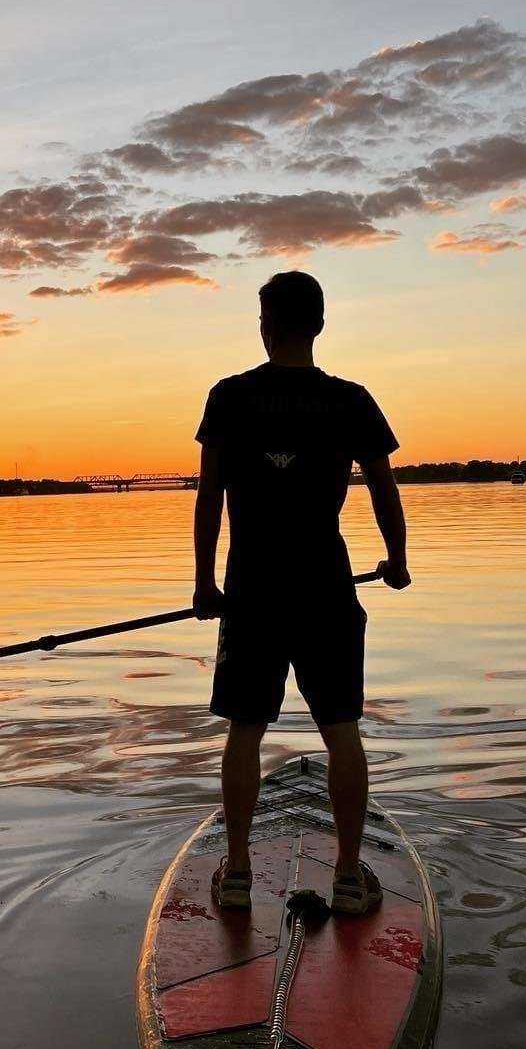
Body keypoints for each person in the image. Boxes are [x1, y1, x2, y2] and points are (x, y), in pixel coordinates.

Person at [192, 271, 409, 917]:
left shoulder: (229, 397)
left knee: (246, 730)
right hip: (326, 585)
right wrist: (397, 560)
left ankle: (237, 873)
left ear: (267, 324)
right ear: (317, 324)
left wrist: (205, 582)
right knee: (341, 731)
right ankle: (346, 875)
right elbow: (383, 487)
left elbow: (210, 497)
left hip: (253, 588)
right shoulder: (351, 400)